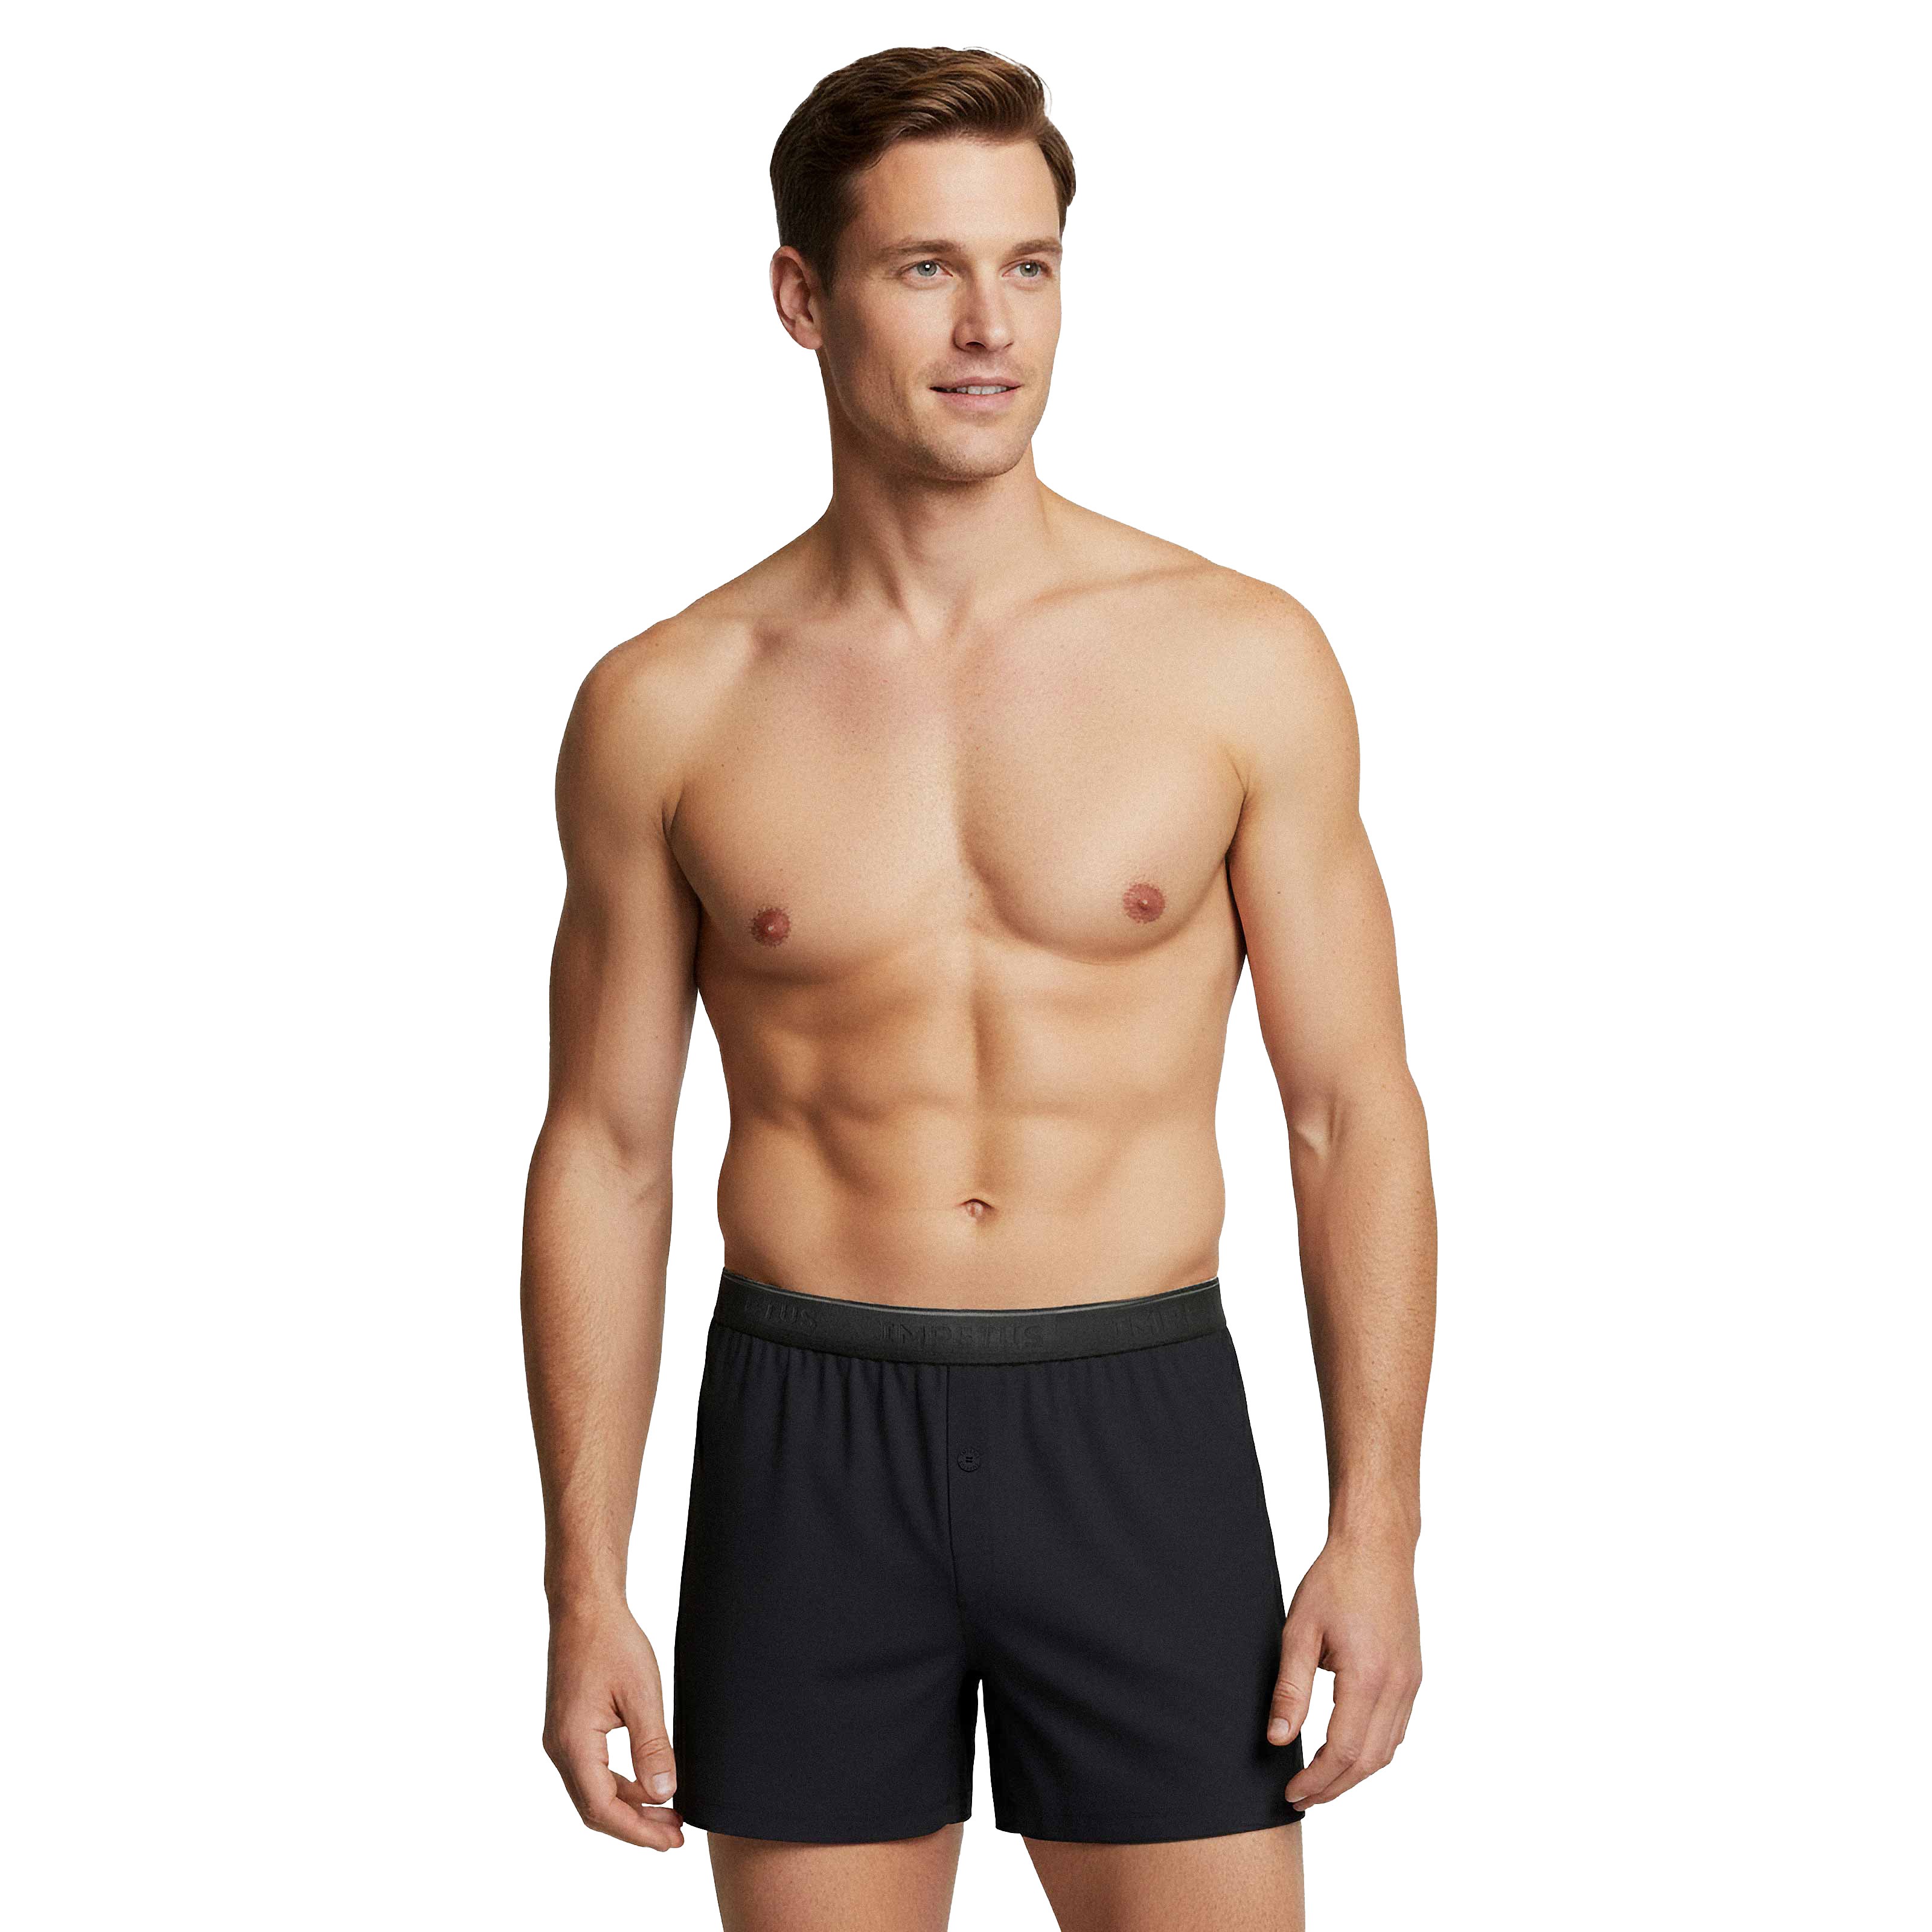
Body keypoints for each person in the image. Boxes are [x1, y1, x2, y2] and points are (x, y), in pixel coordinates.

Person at [520, 43, 1435, 1932]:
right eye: (925, 267)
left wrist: (1380, 1528)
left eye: (1029, 266)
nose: (989, 328)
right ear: (804, 296)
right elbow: (605, 1150)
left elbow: (1350, 1113)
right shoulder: (670, 701)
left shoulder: (1236, 659)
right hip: (808, 1438)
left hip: (1137, 1423)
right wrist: (583, 1582)